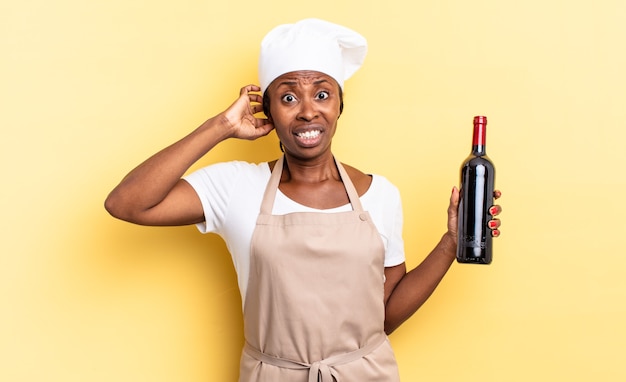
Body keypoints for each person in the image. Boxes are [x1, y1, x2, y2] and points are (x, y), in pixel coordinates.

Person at [105, 18, 502, 382]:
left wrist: (452, 241)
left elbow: (384, 316)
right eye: (289, 97)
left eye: (323, 94)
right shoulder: (236, 186)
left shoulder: (381, 195)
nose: (308, 111)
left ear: (339, 106)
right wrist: (221, 126)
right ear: (268, 111)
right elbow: (127, 203)